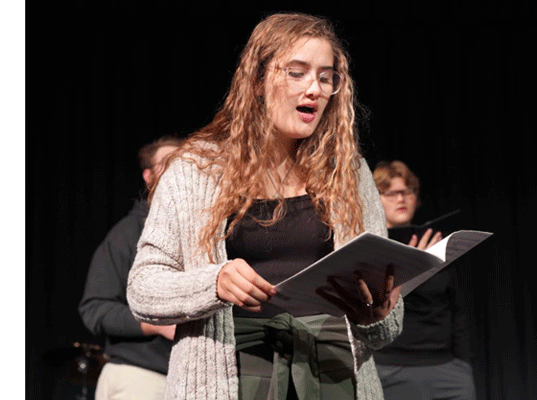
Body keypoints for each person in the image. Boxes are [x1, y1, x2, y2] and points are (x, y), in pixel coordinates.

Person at [126, 13, 404, 400]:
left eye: (326, 77)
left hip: (333, 373)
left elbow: (388, 324)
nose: (315, 88)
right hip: (233, 375)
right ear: (257, 81)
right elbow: (143, 290)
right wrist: (214, 282)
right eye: (297, 72)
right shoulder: (196, 170)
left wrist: (377, 316)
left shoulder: (349, 172)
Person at [79, 134, 183, 400]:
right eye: (168, 162)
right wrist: (156, 325)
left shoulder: (197, 234)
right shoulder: (127, 234)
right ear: (148, 176)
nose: (178, 168)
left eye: (184, 162)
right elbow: (96, 308)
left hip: (181, 379)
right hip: (140, 376)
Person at [372, 160, 476, 400]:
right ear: (375, 198)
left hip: (447, 369)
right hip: (392, 368)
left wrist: (462, 363)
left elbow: (457, 309)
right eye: (391, 192)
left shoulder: (436, 243)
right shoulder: (371, 248)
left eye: (407, 191)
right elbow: (372, 307)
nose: (401, 198)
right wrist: (411, 266)